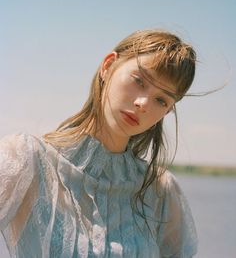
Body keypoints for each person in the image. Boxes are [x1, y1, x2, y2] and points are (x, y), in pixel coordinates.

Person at [0, 29, 198, 257]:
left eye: (161, 100)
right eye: (139, 80)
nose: (143, 103)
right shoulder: (27, 158)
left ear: (167, 111)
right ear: (108, 65)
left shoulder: (160, 190)